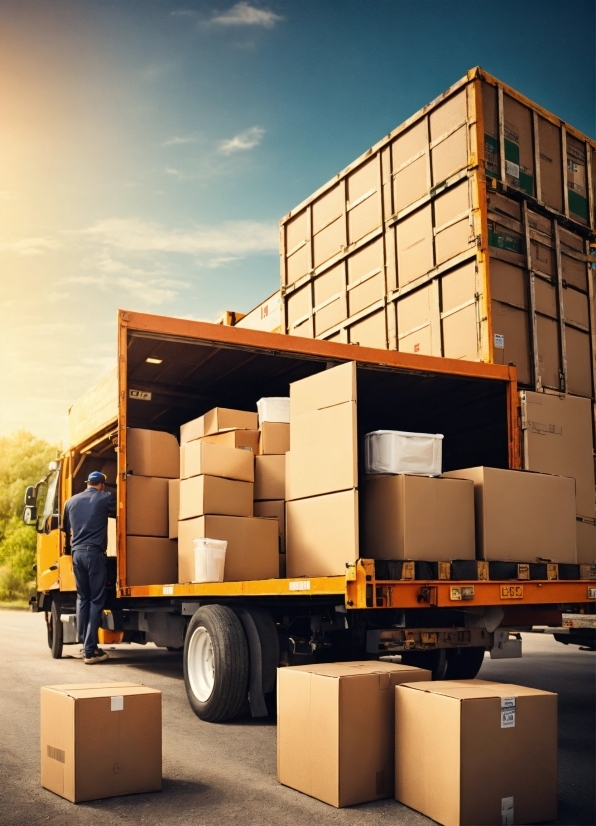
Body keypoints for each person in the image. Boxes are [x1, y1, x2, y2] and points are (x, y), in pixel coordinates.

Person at [61, 471, 116, 664]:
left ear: (88, 483)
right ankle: (90, 651)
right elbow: (121, 511)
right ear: (101, 484)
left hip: (77, 555)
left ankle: (85, 643)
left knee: (82, 598)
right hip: (94, 554)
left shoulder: (70, 502)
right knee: (96, 600)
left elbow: (65, 529)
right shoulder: (105, 497)